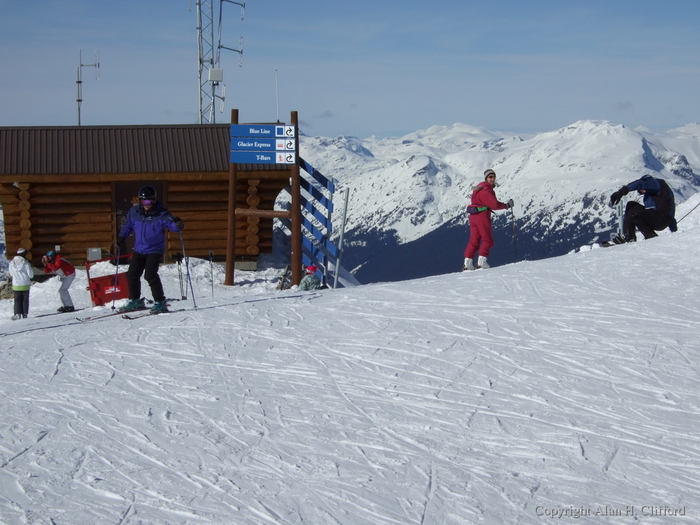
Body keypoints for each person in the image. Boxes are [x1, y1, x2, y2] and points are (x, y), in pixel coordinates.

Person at [117, 185, 184, 313]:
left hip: (154, 249)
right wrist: (121, 238)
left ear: (154, 200)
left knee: (150, 274)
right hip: (139, 248)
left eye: (149, 201)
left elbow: (172, 224)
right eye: (143, 201)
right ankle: (134, 300)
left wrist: (178, 225)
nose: (147, 204)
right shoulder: (134, 212)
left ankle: (160, 302)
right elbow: (127, 226)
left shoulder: (161, 214)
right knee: (132, 274)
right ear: (140, 201)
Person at [463, 169, 514, 270]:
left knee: (474, 240)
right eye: (490, 177)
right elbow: (494, 205)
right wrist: (507, 205)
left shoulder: (478, 189)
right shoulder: (486, 190)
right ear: (486, 178)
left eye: (494, 177)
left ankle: (468, 263)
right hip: (482, 216)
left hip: (473, 216)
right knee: (487, 239)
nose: (493, 179)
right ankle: (481, 262)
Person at [609, 174, 676, 243]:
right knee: (631, 205)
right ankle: (629, 236)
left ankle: (647, 236)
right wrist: (674, 230)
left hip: (661, 219)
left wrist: (621, 192)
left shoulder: (655, 183)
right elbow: (669, 209)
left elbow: (641, 183)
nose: (641, 191)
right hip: (660, 218)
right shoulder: (652, 194)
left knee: (635, 213)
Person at [9, 248, 33, 319]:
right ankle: (24, 314)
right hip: (25, 283)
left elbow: (11, 273)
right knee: (25, 299)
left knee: (17, 299)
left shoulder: (12, 263)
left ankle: (17, 314)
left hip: (16, 284)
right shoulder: (25, 263)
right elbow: (31, 274)